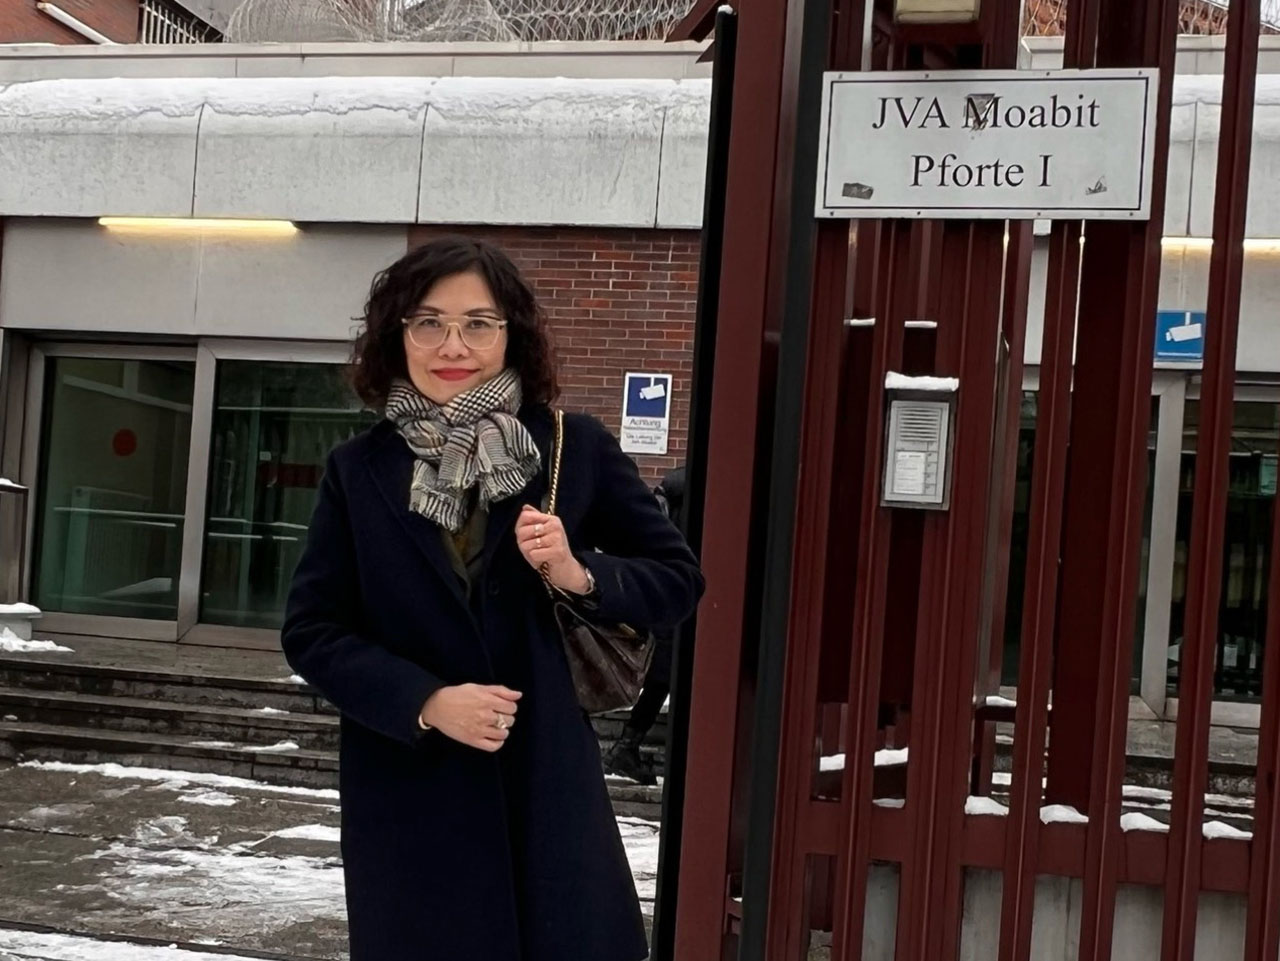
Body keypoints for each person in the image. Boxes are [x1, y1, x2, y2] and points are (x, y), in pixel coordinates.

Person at [281, 237, 704, 961]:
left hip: (546, 793)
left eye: (478, 323)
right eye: (429, 322)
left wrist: (577, 570)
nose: (454, 345)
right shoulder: (359, 469)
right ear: (397, 334)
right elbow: (312, 630)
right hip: (412, 801)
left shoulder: (575, 448)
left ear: (512, 334)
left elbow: (677, 580)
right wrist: (425, 700)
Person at [603, 464, 684, 786]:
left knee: (662, 678)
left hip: (663, 600)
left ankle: (627, 747)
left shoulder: (669, 494)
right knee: (666, 676)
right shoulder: (699, 494)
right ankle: (627, 748)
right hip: (679, 603)